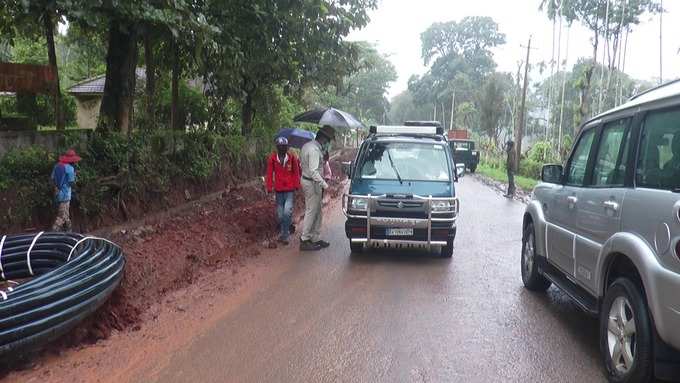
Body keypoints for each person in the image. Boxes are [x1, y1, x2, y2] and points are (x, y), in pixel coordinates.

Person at [299, 125, 335, 251]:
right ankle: (305, 239)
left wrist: (324, 159)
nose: (329, 144)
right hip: (312, 183)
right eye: (329, 141)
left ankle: (315, 237)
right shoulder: (314, 150)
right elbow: (314, 172)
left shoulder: (308, 146)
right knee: (311, 211)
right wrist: (326, 185)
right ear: (324, 139)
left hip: (309, 181)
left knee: (318, 211)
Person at [265, 137, 301, 245]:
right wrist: (269, 187)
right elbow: (269, 173)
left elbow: (296, 173)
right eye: (280, 147)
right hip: (279, 189)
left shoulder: (292, 158)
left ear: (286, 147)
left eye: (284, 146)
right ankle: (286, 228)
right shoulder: (272, 159)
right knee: (281, 215)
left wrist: (297, 185)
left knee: (287, 211)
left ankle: (285, 235)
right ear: (277, 147)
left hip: (289, 189)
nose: (282, 148)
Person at [51, 149, 81, 231]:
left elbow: (52, 179)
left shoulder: (57, 166)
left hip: (57, 193)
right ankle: (53, 233)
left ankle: (69, 231)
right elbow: (71, 182)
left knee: (65, 214)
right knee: (61, 217)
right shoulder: (70, 169)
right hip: (65, 195)